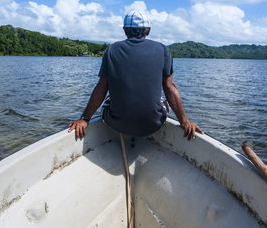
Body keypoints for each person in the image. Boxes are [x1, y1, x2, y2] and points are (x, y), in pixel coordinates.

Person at [68, 11, 203, 140]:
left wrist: (85, 118)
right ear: (148, 30)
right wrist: (184, 122)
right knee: (162, 100)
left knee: (109, 100)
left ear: (125, 30)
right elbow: (169, 87)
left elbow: (101, 87)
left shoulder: (112, 49)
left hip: (116, 124)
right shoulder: (163, 50)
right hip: (153, 124)